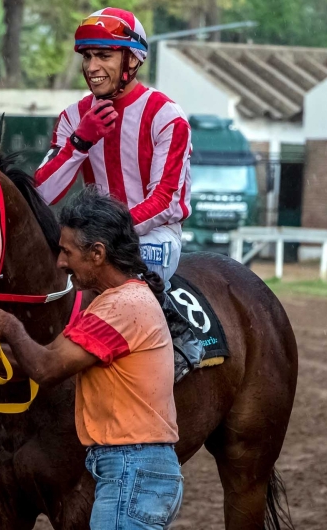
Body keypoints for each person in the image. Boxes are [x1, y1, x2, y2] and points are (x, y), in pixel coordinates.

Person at [0, 188, 183, 529]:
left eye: (66, 252)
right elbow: (41, 361)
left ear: (97, 253)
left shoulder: (121, 308)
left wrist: (11, 327)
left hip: (131, 471)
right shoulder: (116, 303)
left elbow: (46, 370)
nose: (60, 262)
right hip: (129, 469)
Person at [34, 7, 203, 373]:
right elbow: (42, 193)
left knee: (132, 267)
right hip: (88, 237)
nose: (92, 66)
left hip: (152, 235)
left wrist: (107, 234)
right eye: (87, 56)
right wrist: (80, 142)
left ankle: (177, 337)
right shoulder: (73, 118)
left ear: (132, 59)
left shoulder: (166, 115)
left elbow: (166, 200)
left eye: (104, 55)